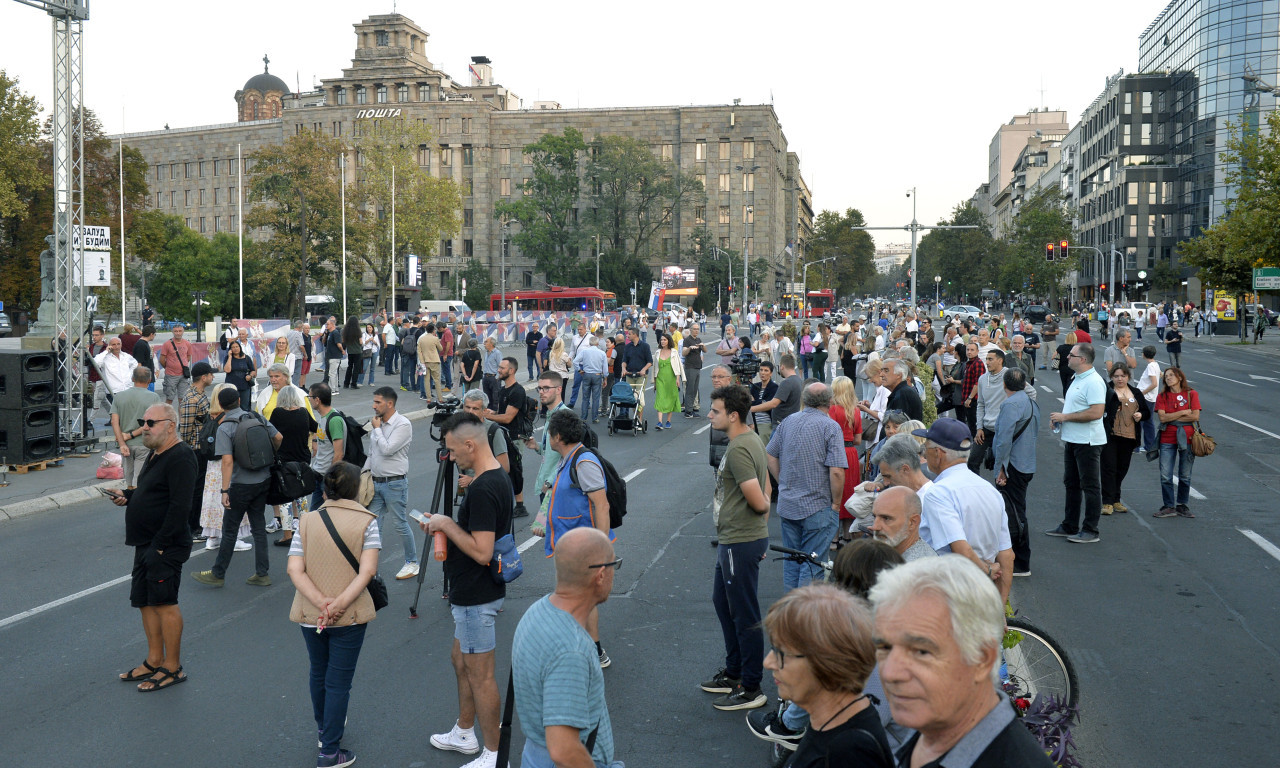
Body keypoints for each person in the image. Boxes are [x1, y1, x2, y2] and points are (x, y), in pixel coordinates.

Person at [870, 557, 1056, 768]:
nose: (890, 673)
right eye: (884, 647)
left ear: (982, 659)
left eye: (921, 651)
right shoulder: (931, 725)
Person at [421, 412, 514, 768]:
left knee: (481, 675)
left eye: (452, 449)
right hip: (472, 593)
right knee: (460, 660)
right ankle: (464, 731)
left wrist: (446, 524)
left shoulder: (484, 488)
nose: (450, 457)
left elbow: (482, 551)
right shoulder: (493, 478)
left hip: (477, 596)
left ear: (470, 445)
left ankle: (494, 754)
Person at [287, 460, 379, 768]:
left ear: (325, 489)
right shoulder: (367, 522)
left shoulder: (306, 521)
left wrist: (321, 602)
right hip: (349, 614)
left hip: (310, 613)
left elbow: (294, 569)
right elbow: (367, 571)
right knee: (339, 682)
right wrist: (338, 605)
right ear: (356, 490)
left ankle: (324, 731)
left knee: (318, 672)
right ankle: (329, 752)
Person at [106, 403, 198, 693]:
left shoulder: (181, 457)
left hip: (164, 545)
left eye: (150, 423)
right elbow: (151, 493)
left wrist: (159, 546)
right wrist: (127, 495)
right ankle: (154, 660)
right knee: (145, 601)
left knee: (164, 604)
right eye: (142, 422)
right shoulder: (156, 453)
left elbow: (180, 506)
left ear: (170, 426)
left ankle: (172, 667)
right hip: (145, 542)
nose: (144, 427)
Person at [512, 527, 621, 768]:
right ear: (600, 575)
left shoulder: (538, 611)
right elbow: (563, 750)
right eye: (615, 564)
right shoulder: (571, 649)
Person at [757, 584, 893, 768]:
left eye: (781, 652)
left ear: (827, 661)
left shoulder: (849, 753)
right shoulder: (834, 723)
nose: (768, 663)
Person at [699, 384, 771, 712]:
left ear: (732, 415)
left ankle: (751, 686)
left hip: (740, 540)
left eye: (715, 411)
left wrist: (761, 517)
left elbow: (758, 498)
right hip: (735, 538)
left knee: (744, 613)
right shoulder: (748, 439)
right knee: (723, 602)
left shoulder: (741, 448)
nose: (709, 416)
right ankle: (734, 671)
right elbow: (767, 483)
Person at [911, 419, 1014, 602]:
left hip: (948, 591)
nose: (924, 453)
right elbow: (1006, 554)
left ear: (938, 453)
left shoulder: (939, 492)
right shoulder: (990, 490)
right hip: (982, 593)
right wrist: (1000, 606)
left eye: (926, 448)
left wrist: (987, 570)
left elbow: (960, 548)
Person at [543, 409, 615, 668]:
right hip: (571, 545)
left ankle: (594, 651)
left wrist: (601, 550)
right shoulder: (568, 458)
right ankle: (586, 648)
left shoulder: (583, 462)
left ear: (558, 437)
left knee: (582, 598)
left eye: (549, 434)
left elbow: (602, 505)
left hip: (585, 547)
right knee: (577, 597)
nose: (548, 438)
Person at [192, 387, 283, 588]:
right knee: (258, 527)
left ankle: (218, 574)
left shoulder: (226, 427)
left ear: (221, 405)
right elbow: (278, 437)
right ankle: (262, 573)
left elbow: (227, 461)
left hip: (240, 484)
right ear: (239, 400)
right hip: (263, 479)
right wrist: (269, 455)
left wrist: (224, 490)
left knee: (230, 529)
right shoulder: (255, 417)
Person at [767, 383, 847, 589]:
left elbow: (770, 454)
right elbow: (837, 471)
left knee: (792, 561)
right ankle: (804, 607)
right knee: (812, 563)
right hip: (817, 505)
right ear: (830, 401)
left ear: (805, 399)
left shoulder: (788, 421)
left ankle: (791, 605)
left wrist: (782, 481)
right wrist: (836, 504)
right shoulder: (830, 427)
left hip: (788, 503)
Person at [1046, 342, 1107, 544]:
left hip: (1087, 441)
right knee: (1071, 483)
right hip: (1072, 439)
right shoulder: (1076, 377)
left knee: (1090, 486)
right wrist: (1060, 419)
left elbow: (1096, 412)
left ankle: (1090, 529)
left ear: (1082, 359)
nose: (1067, 357)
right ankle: (1069, 525)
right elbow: (1075, 407)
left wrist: (1065, 417)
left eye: (1071, 355)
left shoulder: (1094, 381)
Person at [364, 386, 417, 579]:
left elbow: (387, 449)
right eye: (374, 401)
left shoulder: (403, 424)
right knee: (372, 525)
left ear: (390, 403)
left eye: (378, 402)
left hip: (394, 484)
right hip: (375, 483)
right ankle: (370, 567)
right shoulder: (378, 424)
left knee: (400, 523)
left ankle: (412, 562)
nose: (374, 406)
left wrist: (377, 430)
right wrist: (363, 475)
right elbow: (372, 453)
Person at [991, 367, 1038, 577]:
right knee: (1017, 510)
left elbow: (1003, 439)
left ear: (1004, 384)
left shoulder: (1010, 404)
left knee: (1012, 513)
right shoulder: (1031, 402)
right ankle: (1018, 559)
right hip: (1026, 463)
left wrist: (1000, 468)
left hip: (1012, 466)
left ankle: (1019, 562)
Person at [267, 383, 317, 546]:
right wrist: (314, 441)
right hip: (302, 458)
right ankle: (304, 530)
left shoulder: (277, 413)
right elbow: (315, 427)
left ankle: (287, 534)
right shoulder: (303, 412)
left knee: (285, 497)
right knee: (301, 495)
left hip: (284, 459)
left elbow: (271, 433)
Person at [485, 357, 531, 518]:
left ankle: (519, 506)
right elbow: (502, 413)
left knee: (513, 471)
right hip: (503, 435)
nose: (498, 370)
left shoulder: (517, 391)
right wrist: (492, 413)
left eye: (502, 368)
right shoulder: (504, 390)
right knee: (504, 471)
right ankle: (510, 504)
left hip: (514, 438)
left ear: (511, 370)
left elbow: (508, 418)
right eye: (499, 367)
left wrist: (487, 416)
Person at [1101, 365, 1149, 517]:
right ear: (1111, 377)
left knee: (1122, 468)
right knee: (1109, 468)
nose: (1120, 379)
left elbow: (1146, 412)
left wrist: (1140, 414)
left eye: (1123, 376)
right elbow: (1099, 409)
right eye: (1116, 376)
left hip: (1129, 436)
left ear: (1128, 377)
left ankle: (1116, 500)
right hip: (1110, 435)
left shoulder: (1135, 392)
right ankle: (1107, 502)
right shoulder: (1107, 390)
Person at [1154, 367, 1201, 519]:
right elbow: (1162, 418)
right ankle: (1169, 506)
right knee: (1165, 475)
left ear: (1180, 377)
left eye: (1171, 375)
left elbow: (1195, 416)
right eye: (1166, 376)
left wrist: (1171, 416)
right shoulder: (1162, 396)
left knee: (1185, 475)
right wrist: (1182, 412)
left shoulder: (1191, 394)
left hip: (1187, 438)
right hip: (1167, 438)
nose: (1168, 378)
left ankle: (1182, 505)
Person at [179, 361, 217, 538]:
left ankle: (198, 523)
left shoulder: (200, 394)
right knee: (196, 489)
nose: (213, 377)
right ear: (204, 377)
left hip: (202, 448)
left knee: (201, 488)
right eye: (210, 374)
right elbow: (185, 430)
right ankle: (192, 526)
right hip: (195, 449)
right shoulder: (191, 398)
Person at [111, 366, 162, 489]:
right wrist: (131, 435)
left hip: (125, 444)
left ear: (132, 378)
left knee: (128, 480)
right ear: (149, 380)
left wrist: (122, 442)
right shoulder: (154, 397)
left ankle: (129, 498)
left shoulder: (119, 396)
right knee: (139, 481)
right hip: (144, 443)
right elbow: (151, 422)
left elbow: (114, 421)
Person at [828, 376, 863, 542]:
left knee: (836, 493)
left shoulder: (833, 409)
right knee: (849, 493)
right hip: (851, 453)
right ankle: (847, 536)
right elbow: (858, 440)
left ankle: (834, 538)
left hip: (836, 452)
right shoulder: (855, 410)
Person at [868, 483, 938, 562]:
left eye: (886, 518)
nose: (875, 527)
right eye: (874, 517)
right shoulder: (895, 556)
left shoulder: (919, 566)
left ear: (912, 522)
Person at [308, 383, 346, 512]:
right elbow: (321, 434)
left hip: (327, 478)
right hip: (319, 475)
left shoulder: (334, 420)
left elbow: (339, 454)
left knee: (329, 516)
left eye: (310, 396)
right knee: (315, 515)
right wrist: (314, 440)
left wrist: (330, 484)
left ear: (317, 400)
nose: (309, 400)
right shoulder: (323, 417)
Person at [652, 332, 684, 430]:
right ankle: (659, 422)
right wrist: (654, 381)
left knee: (670, 398)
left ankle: (668, 421)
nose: (662, 341)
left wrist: (678, 379)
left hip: (671, 379)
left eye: (664, 340)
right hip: (660, 379)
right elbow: (654, 368)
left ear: (668, 341)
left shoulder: (674, 352)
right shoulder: (657, 352)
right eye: (661, 340)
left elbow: (678, 366)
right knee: (660, 398)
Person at [157, 324, 194, 405]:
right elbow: (162, 359)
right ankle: (167, 413)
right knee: (169, 398)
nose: (178, 333)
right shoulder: (167, 344)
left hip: (183, 375)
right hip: (171, 375)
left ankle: (181, 414)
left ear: (183, 331)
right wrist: (169, 367)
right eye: (176, 331)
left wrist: (182, 365)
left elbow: (188, 357)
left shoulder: (187, 343)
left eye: (180, 331)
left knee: (183, 399)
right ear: (172, 332)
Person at [620, 328, 653, 414]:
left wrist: (643, 370)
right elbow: (624, 361)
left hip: (641, 375)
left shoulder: (645, 346)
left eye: (629, 334)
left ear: (635, 335)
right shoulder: (627, 347)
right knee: (632, 397)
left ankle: (639, 418)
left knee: (639, 396)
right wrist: (623, 369)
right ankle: (635, 416)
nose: (627, 336)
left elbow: (650, 362)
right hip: (630, 374)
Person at [749, 360, 779, 445]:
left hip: (765, 423)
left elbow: (769, 405)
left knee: (764, 448)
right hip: (753, 423)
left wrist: (756, 402)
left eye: (766, 370)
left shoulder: (774, 387)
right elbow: (749, 403)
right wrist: (761, 403)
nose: (763, 373)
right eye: (761, 370)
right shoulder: (755, 386)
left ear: (771, 373)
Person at [224, 339, 257, 411]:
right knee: (232, 407)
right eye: (233, 347)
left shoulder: (246, 358)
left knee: (244, 408)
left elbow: (253, 370)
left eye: (237, 347)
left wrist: (250, 376)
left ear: (240, 347)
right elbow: (227, 370)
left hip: (244, 386)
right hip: (231, 387)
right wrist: (230, 357)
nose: (235, 349)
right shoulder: (227, 358)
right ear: (230, 349)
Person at [416, 320, 443, 399]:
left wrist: (422, 361)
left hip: (424, 361)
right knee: (436, 380)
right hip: (434, 360)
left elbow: (419, 351)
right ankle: (440, 397)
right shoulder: (435, 339)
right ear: (433, 330)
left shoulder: (421, 339)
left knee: (426, 380)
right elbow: (441, 349)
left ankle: (428, 397)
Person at [682, 326, 706, 417]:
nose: (696, 331)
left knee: (695, 389)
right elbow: (683, 353)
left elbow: (705, 351)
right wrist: (689, 348)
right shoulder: (687, 340)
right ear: (691, 330)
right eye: (695, 329)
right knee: (690, 389)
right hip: (690, 367)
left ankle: (691, 409)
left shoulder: (698, 339)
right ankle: (688, 411)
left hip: (697, 366)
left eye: (697, 329)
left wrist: (703, 345)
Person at [321, 317, 345, 391]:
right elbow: (323, 342)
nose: (326, 326)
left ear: (332, 324)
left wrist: (342, 350)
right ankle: (335, 388)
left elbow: (339, 344)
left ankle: (332, 389)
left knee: (332, 373)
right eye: (326, 324)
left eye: (327, 324)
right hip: (330, 355)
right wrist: (325, 334)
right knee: (334, 373)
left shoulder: (335, 333)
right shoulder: (329, 333)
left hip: (334, 356)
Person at [1054, 330, 1078, 396]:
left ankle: (1065, 398)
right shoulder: (1076, 348)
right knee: (1071, 386)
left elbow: (1053, 356)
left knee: (1064, 385)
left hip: (1062, 369)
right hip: (1073, 369)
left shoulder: (1061, 347)